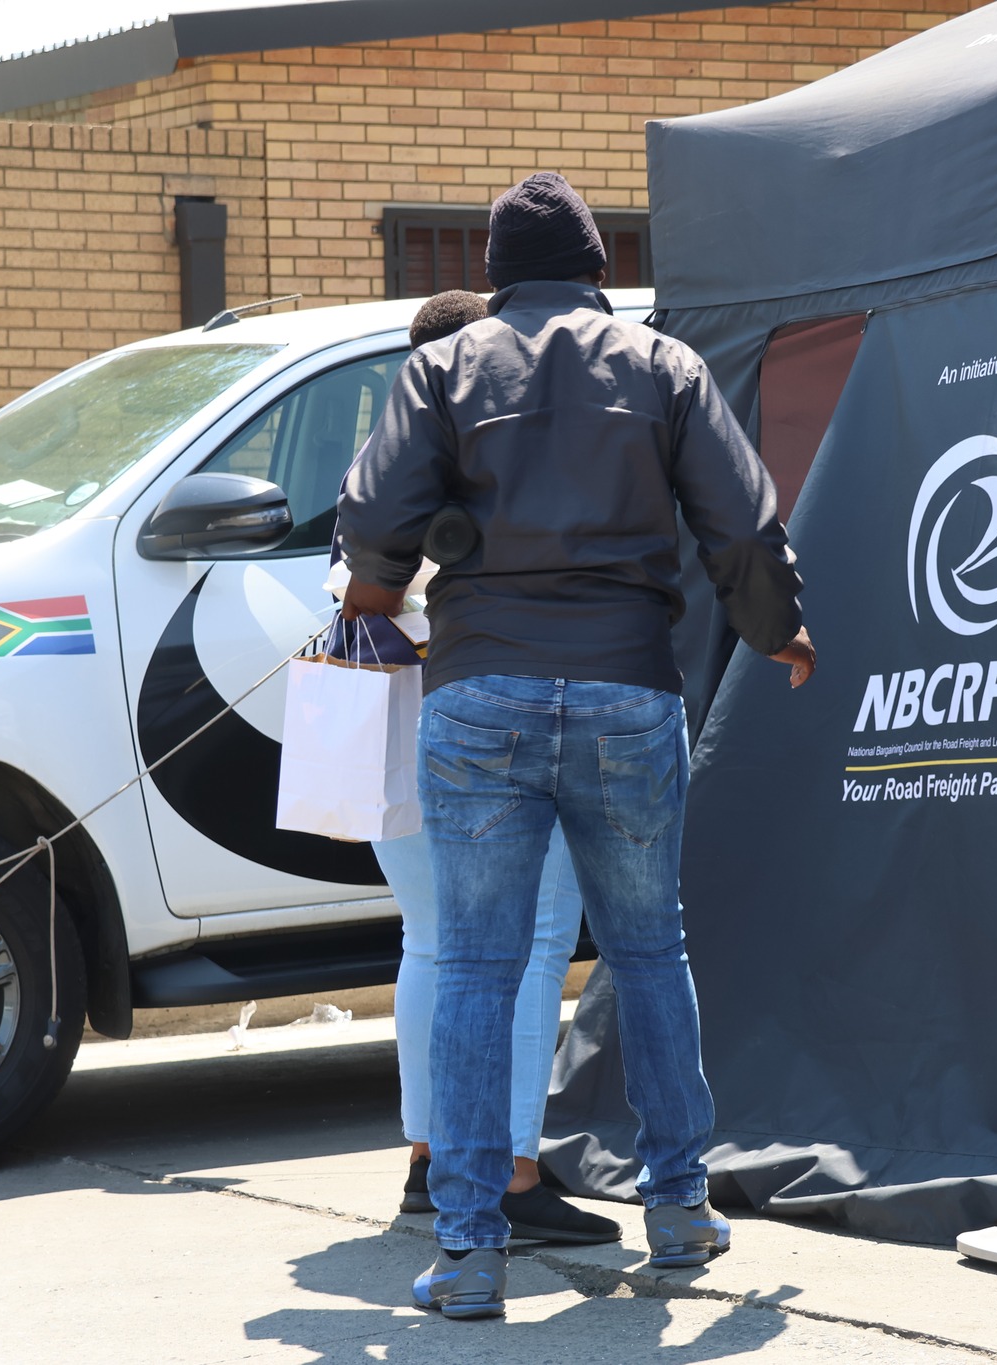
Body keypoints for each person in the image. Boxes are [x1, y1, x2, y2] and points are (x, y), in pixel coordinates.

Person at [337, 172, 815, 1321]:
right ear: (600, 269)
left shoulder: (443, 367)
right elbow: (741, 522)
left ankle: (467, 1254)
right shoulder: (662, 366)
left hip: (479, 695)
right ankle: (680, 1210)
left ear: (494, 274)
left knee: (475, 966)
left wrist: (374, 593)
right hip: (625, 690)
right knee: (648, 953)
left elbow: (373, 520)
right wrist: (778, 629)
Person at [349, 290, 618, 1245]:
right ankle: (509, 1171)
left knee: (432, 940)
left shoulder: (378, 457)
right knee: (534, 940)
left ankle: (431, 1160)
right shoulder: (496, 452)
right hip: (492, 714)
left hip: (392, 727)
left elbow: (360, 585)